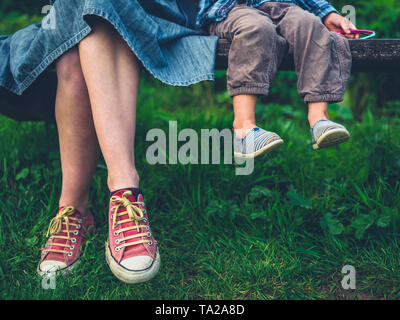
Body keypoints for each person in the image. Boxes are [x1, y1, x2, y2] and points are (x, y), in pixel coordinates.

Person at [0, 0, 217, 284]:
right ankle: (83, 207)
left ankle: (109, 193)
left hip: (155, 10)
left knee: (95, 19)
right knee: (74, 50)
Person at [196, 0, 357, 158]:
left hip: (283, 6)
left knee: (311, 26)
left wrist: (328, 14)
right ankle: (244, 128)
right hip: (230, 10)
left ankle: (319, 119)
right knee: (257, 29)